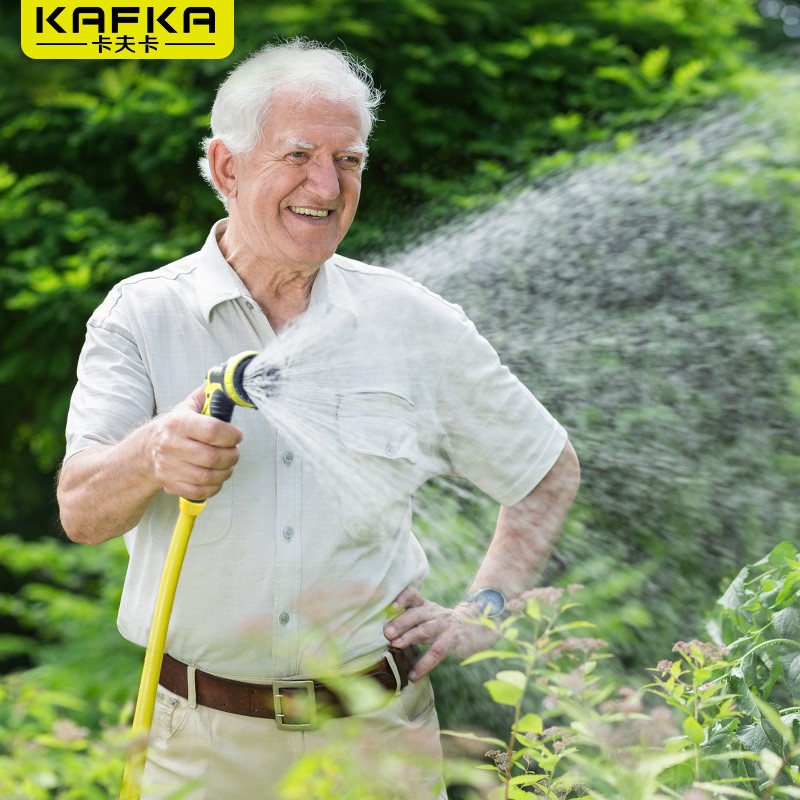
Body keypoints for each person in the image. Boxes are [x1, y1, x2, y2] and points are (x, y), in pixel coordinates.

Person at [57, 39, 580, 800]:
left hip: (379, 738)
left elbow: (546, 470)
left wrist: (487, 606)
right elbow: (80, 510)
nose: (327, 184)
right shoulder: (140, 316)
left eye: (350, 159)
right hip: (201, 750)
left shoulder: (411, 320)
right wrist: (151, 455)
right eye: (299, 154)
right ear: (228, 167)